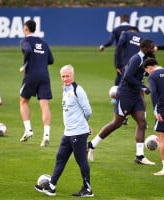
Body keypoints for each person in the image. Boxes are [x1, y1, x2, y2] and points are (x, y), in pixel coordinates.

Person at [87, 39, 155, 165]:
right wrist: (143, 87)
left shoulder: (143, 59)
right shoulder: (137, 59)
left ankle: (139, 156)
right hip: (126, 96)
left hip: (135, 96)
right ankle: (91, 145)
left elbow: (125, 70)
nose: (153, 49)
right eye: (152, 47)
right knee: (116, 123)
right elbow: (127, 76)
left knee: (142, 122)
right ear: (145, 48)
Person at [34, 64, 94, 197]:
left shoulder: (78, 90)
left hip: (78, 132)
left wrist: (83, 125)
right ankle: (51, 186)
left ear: (73, 76)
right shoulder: (65, 89)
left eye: (67, 76)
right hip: (68, 132)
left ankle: (88, 189)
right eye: (63, 76)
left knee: (81, 161)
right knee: (60, 158)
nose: (65, 78)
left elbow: (88, 111)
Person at [19, 20, 54, 147]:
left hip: (31, 75)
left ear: (26, 28)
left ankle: (28, 129)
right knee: (45, 106)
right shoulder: (44, 42)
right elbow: (51, 60)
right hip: (44, 76)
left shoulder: (25, 41)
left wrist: (25, 65)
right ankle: (46, 135)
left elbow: (27, 51)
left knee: (23, 101)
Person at [143, 58, 164, 176]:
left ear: (149, 67)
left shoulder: (153, 76)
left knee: (162, 139)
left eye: (147, 71)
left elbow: (154, 93)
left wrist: (157, 110)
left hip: (163, 109)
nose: (148, 74)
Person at [99, 14, 131, 86]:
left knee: (119, 74)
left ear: (120, 20)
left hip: (120, 55)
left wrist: (103, 46)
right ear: (128, 20)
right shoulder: (133, 29)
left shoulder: (116, 29)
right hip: (131, 55)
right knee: (132, 73)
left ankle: (116, 93)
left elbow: (110, 42)